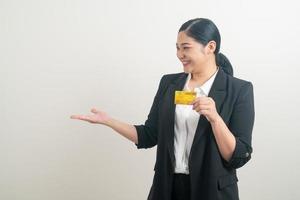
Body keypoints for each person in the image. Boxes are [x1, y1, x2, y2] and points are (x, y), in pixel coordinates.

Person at [70, 18, 255, 200]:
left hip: (212, 191)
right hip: (167, 187)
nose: (179, 54)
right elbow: (149, 135)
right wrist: (108, 121)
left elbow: (238, 156)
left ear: (210, 47)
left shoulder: (240, 90)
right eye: (177, 47)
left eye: (186, 47)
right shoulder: (169, 84)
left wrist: (215, 118)